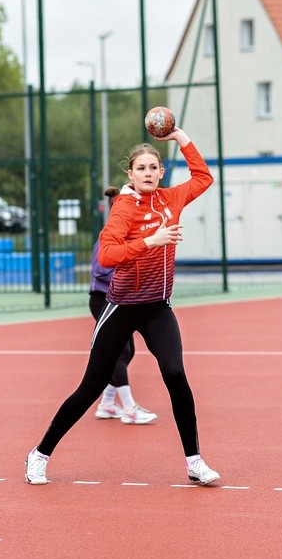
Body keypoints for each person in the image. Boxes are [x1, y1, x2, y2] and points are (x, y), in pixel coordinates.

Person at [26, 126, 220, 486]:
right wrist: (151, 240)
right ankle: (40, 453)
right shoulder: (124, 208)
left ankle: (194, 461)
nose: (147, 173)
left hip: (158, 307)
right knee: (91, 387)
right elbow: (108, 254)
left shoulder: (171, 199)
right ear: (130, 174)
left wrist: (181, 138)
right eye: (141, 168)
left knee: (175, 374)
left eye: (153, 167)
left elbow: (203, 177)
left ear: (161, 172)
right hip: (122, 306)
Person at [91, 186, 158, 425]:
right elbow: (100, 269)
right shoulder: (111, 235)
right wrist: (126, 271)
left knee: (126, 352)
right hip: (103, 299)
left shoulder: (133, 234)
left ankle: (108, 403)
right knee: (119, 353)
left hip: (123, 300)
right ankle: (129, 408)